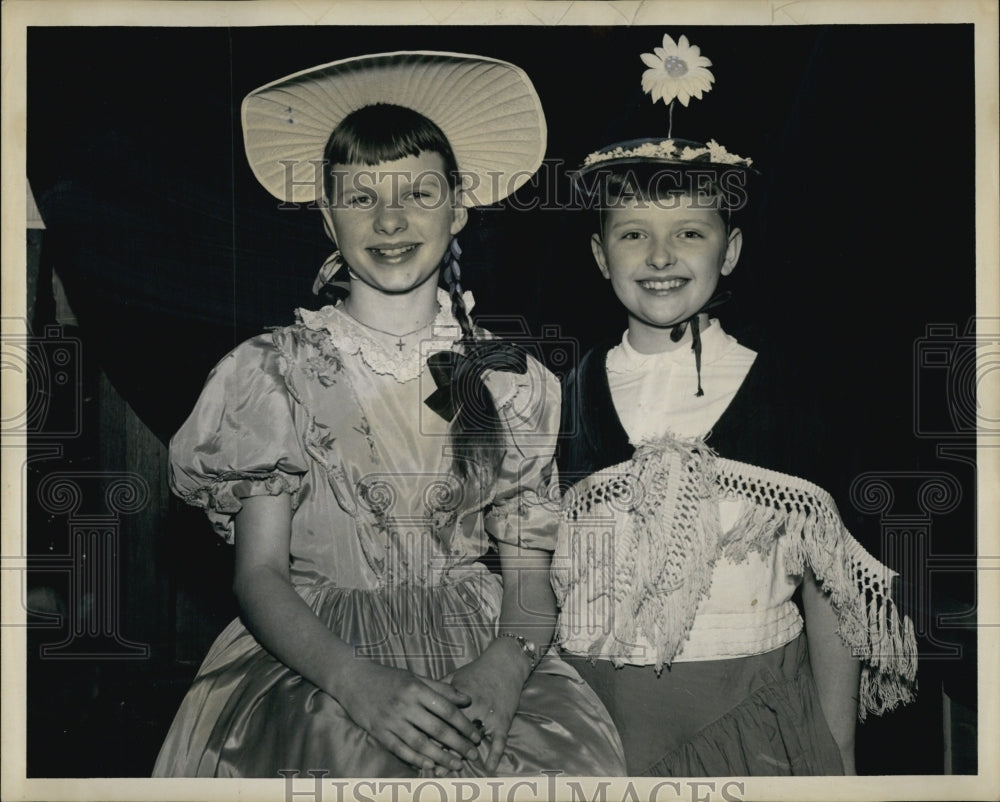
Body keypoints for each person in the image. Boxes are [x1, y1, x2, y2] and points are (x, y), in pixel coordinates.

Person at [153, 51, 625, 779]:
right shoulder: (269, 374)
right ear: (327, 217)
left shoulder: (509, 381)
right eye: (361, 196)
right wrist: (357, 684)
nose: (391, 219)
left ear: (458, 209)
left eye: (419, 192)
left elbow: (530, 581)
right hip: (319, 661)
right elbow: (260, 575)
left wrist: (503, 673)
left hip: (480, 648)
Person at [551, 34, 917, 777]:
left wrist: (836, 748)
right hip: (594, 724)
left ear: (732, 250)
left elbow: (831, 589)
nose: (660, 257)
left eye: (689, 232)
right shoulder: (564, 399)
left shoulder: (787, 393)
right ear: (599, 255)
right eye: (633, 234)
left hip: (753, 719)